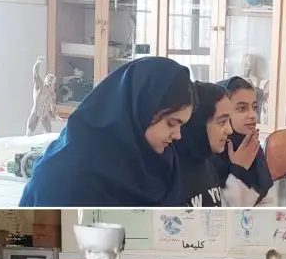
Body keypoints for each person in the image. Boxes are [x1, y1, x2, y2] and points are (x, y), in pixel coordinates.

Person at [19, 57, 194, 207]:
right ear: (140, 110)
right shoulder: (64, 177)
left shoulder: (162, 164)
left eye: (181, 126)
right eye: (171, 123)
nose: (178, 135)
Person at [211, 76, 278, 206]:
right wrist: (238, 169)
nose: (253, 115)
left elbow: (268, 200)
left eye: (255, 107)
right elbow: (219, 211)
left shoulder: (252, 147)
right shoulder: (212, 152)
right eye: (242, 108)